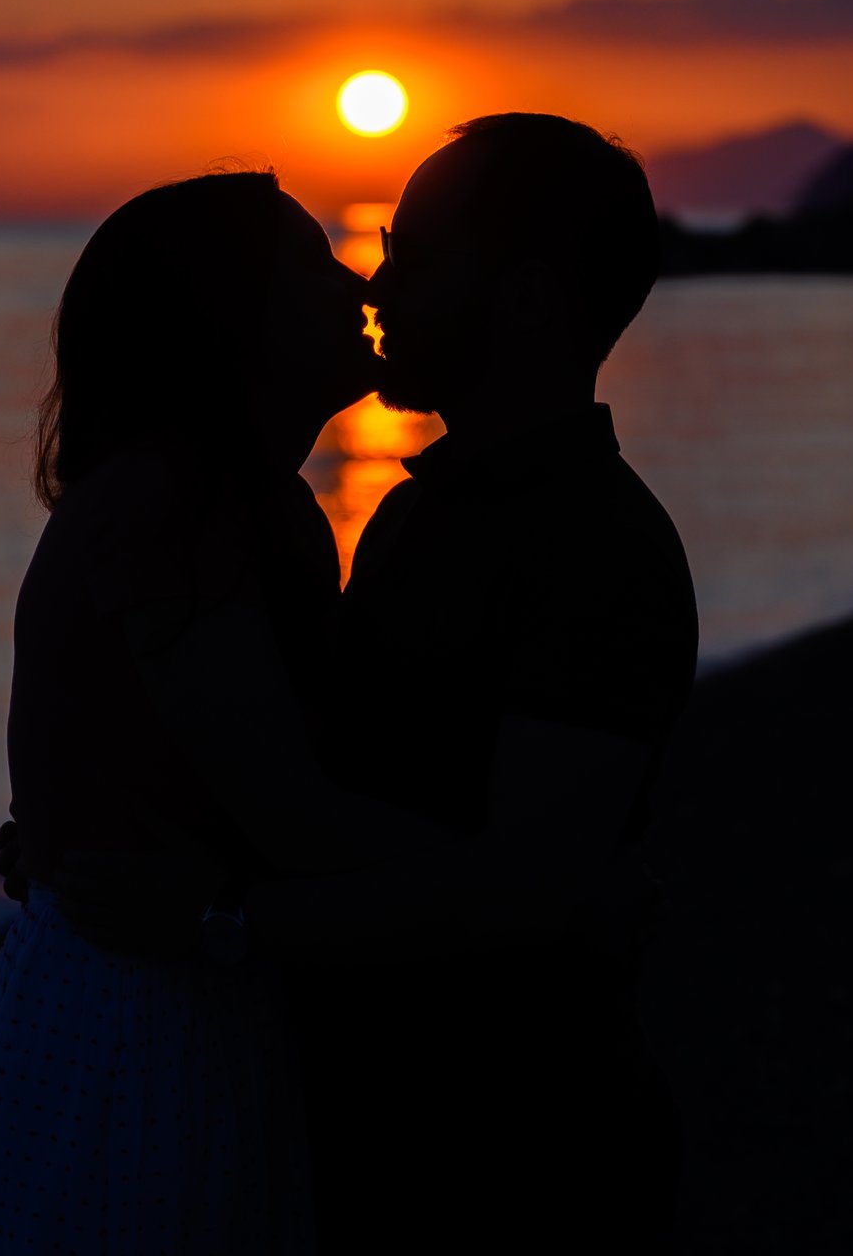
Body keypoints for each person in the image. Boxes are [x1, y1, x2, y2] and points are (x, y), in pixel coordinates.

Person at [46, 115, 697, 1251]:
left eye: (416, 252)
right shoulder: (409, 514)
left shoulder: (600, 547)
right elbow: (329, 770)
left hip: (516, 1142)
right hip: (368, 1117)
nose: (376, 280)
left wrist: (213, 922)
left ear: (531, 296)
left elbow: (522, 890)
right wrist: (90, 819)